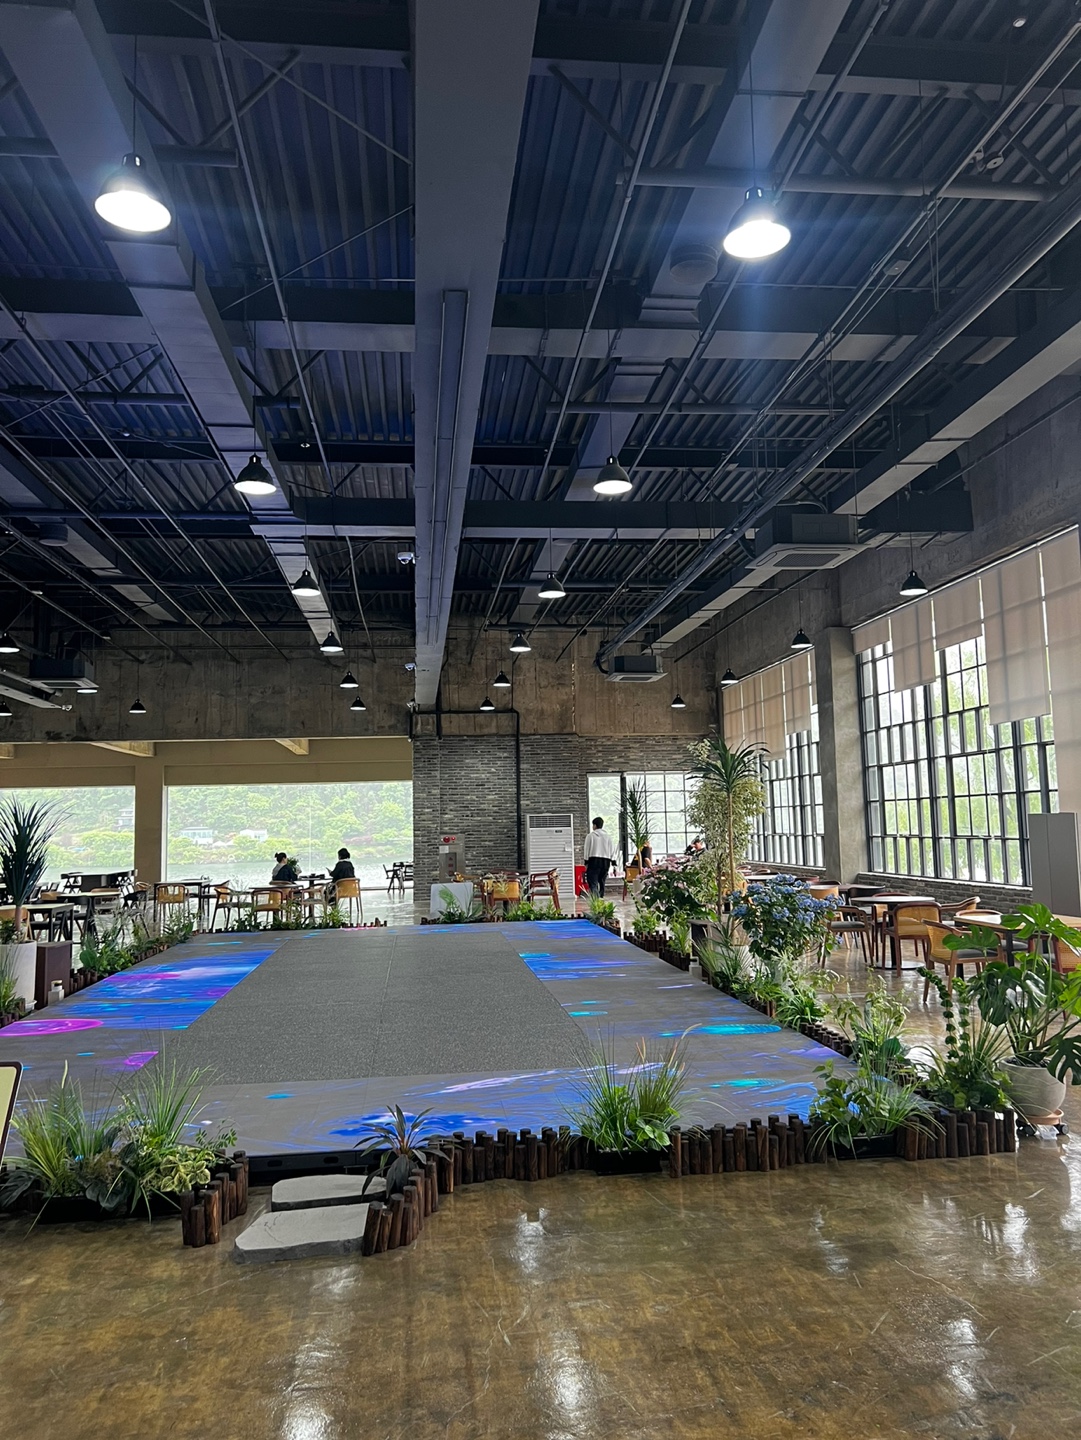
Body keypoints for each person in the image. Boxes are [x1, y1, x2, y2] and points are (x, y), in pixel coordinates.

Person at [583, 816, 615, 897]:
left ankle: (595, 900)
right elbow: (612, 850)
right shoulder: (608, 837)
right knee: (602, 882)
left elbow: (586, 849)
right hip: (606, 862)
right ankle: (601, 898)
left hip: (594, 861)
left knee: (593, 882)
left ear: (595, 825)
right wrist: (614, 863)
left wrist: (586, 862)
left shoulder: (590, 836)